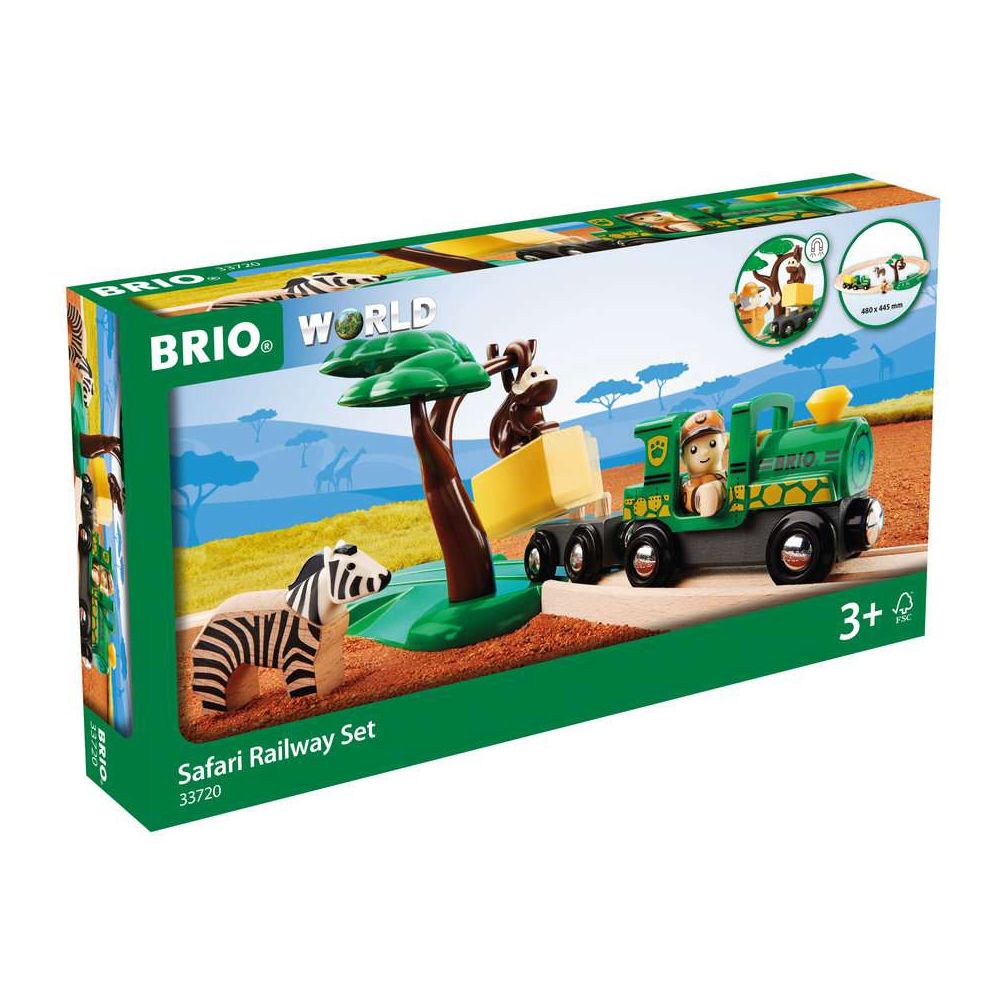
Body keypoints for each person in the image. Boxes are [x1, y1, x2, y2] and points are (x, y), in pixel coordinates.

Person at [679, 409, 728, 516]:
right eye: (694, 450)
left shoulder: (725, 475)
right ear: (683, 458)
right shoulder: (690, 485)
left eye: (712, 443)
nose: (704, 452)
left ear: (724, 441)